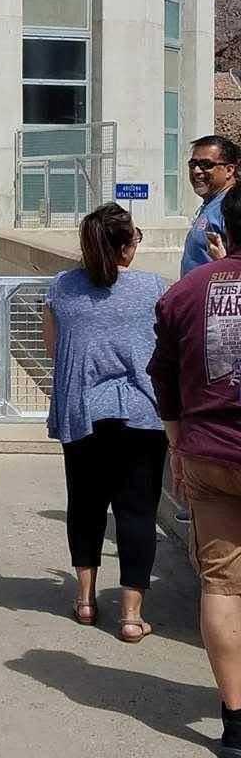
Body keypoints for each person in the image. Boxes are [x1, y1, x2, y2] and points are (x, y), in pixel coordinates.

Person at [42, 203, 167, 641]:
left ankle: (85, 600)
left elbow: (53, 348)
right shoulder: (152, 286)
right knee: (137, 511)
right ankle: (131, 617)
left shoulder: (62, 286)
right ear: (126, 245)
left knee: (85, 505)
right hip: (141, 413)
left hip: (83, 413)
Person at [148, 181, 241, 758]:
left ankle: (236, 722)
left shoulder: (187, 290)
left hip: (208, 451)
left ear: (224, 228)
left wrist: (178, 446)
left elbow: (162, 374)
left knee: (223, 584)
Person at [180, 135, 238, 277]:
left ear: (229, 170)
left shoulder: (233, 206)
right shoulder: (211, 204)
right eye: (193, 164)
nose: (197, 171)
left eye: (206, 164)